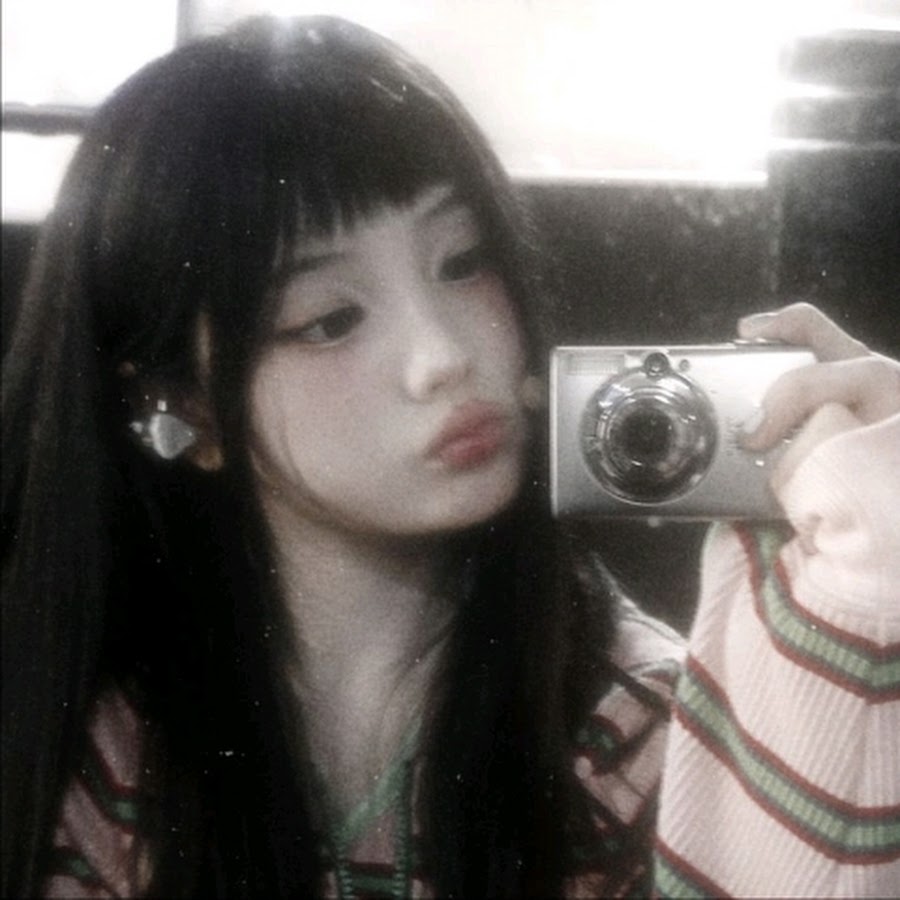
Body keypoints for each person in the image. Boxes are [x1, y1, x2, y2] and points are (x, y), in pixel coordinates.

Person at [1, 15, 897, 899]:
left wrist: (859, 590)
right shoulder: (96, 748)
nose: (443, 355)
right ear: (185, 402)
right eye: (331, 319)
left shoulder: (634, 729)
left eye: (464, 261)